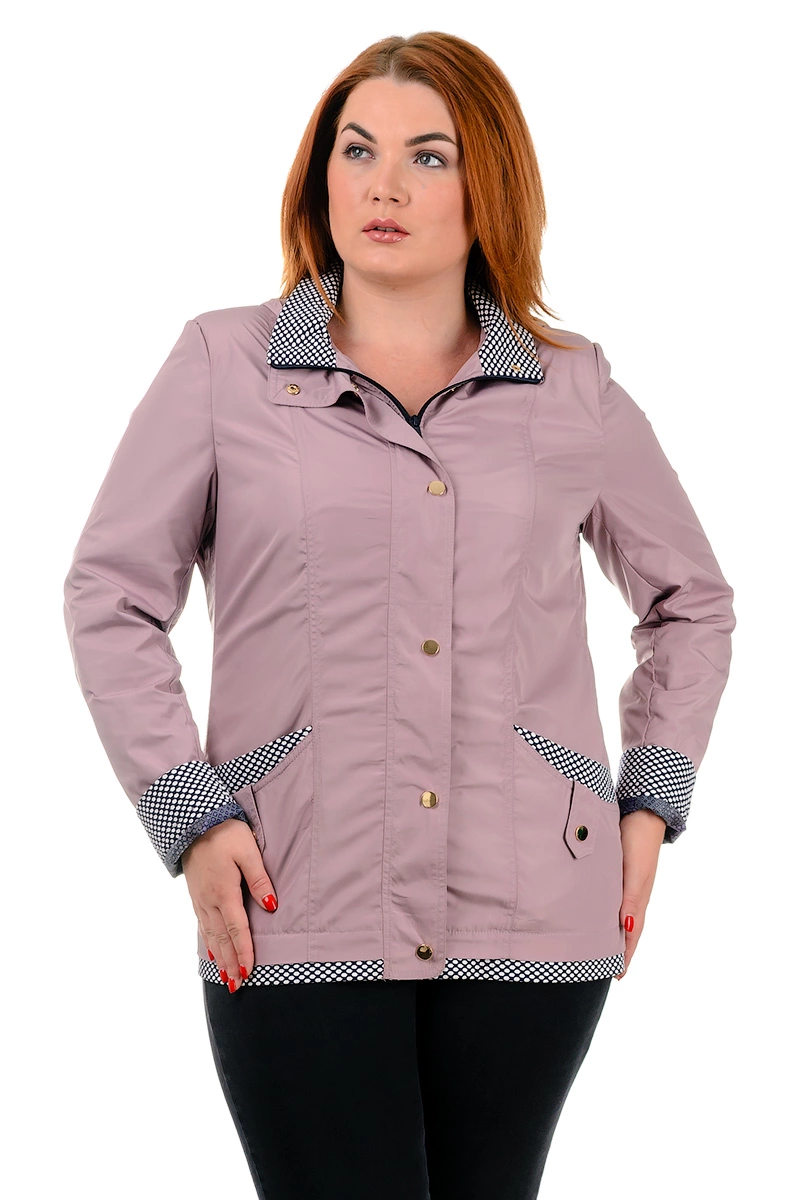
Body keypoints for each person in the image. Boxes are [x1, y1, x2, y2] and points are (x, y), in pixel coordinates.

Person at [62, 30, 736, 1200]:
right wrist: (188, 812)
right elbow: (110, 596)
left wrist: (647, 801)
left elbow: (690, 602)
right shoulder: (223, 366)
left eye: (428, 156)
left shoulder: (569, 387)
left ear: (489, 185)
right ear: (317, 175)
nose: (382, 185)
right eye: (355, 149)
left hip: (532, 908)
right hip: (291, 896)